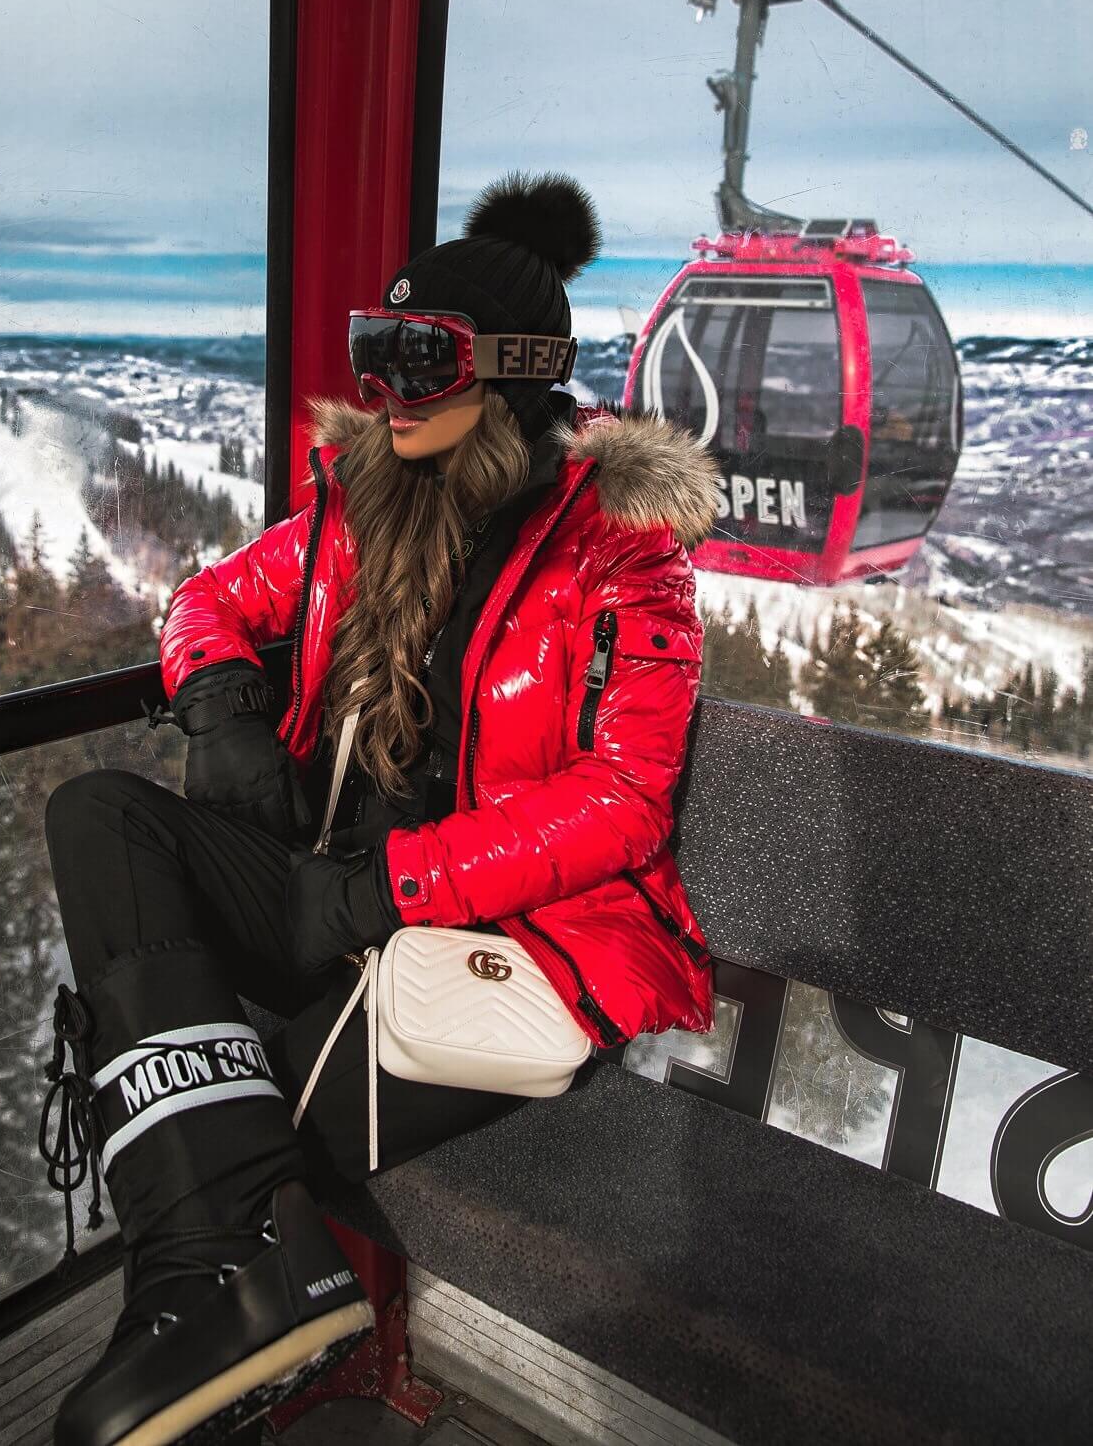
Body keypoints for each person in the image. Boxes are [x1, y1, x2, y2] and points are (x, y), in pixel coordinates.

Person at [39, 172, 720, 1446]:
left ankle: (230, 1298)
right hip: (326, 899)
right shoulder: (358, 509)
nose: (389, 390)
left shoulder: (618, 554)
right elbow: (205, 602)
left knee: (217, 1100)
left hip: (504, 938)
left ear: (512, 372)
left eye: (423, 359)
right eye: (376, 351)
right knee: (100, 818)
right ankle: (229, 1287)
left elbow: (619, 803)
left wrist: (377, 887)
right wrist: (227, 709)